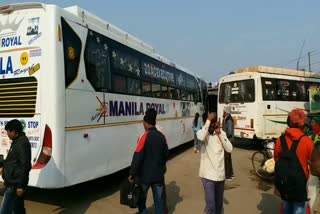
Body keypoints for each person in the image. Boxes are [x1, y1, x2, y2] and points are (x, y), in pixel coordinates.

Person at [128, 108, 168, 214]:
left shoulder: (144, 136)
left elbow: (137, 156)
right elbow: (165, 155)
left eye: (143, 123)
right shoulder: (162, 136)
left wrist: (132, 173)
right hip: (158, 176)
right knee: (159, 202)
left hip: (144, 177)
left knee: (141, 201)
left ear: (146, 123)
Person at [274, 109, 314, 214]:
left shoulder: (280, 140)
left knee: (286, 207)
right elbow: (313, 163)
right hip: (300, 185)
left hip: (284, 183)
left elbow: (276, 159)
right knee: (299, 209)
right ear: (303, 123)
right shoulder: (307, 141)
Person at [197, 112, 233, 214]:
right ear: (205, 122)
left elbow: (229, 149)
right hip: (208, 177)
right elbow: (200, 137)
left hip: (220, 177)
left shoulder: (221, 134)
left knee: (218, 207)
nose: (213, 124)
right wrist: (208, 120)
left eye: (214, 122)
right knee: (211, 207)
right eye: (210, 122)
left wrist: (220, 134)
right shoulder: (202, 134)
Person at [0, 119, 31, 214]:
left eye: (8, 131)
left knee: (5, 211)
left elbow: (25, 165)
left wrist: (21, 186)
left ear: (14, 131)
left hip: (14, 184)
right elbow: (13, 161)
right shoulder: (17, 141)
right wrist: (3, 164)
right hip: (13, 182)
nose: (7, 134)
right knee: (18, 210)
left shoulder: (22, 144)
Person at [222, 106, 235, 180]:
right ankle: (230, 174)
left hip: (228, 141)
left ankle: (228, 175)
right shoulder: (227, 119)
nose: (223, 113)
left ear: (226, 112)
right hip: (227, 141)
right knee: (228, 158)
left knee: (226, 158)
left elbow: (229, 132)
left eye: (224, 112)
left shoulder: (229, 120)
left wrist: (223, 136)